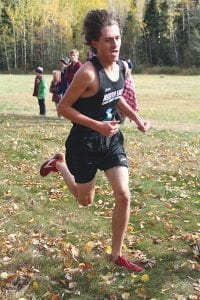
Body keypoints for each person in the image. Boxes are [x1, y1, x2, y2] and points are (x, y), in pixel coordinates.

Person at [40, 9, 150, 272]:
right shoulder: (87, 73)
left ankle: (116, 255)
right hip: (84, 143)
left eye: (118, 38)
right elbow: (63, 108)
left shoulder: (122, 67)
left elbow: (115, 96)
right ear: (94, 43)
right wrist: (96, 125)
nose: (115, 45)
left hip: (110, 140)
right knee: (84, 200)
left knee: (123, 195)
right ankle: (59, 165)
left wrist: (136, 118)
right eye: (109, 40)